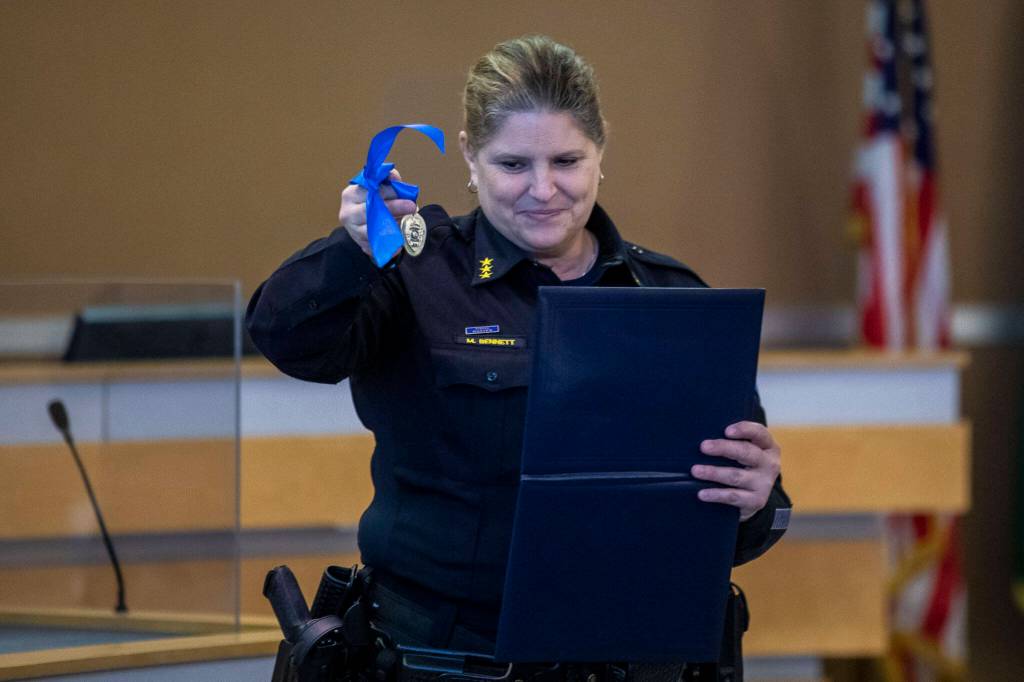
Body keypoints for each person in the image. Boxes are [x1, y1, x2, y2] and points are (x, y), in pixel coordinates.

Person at [247, 34, 790, 667]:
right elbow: (288, 341)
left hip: (632, 653)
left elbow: (741, 521)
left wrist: (756, 500)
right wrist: (354, 250)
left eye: (567, 161)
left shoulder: (672, 296)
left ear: (601, 152)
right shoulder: (414, 272)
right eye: (512, 165)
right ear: (470, 156)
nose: (543, 189)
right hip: (447, 654)